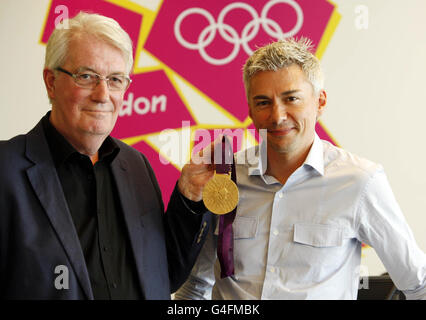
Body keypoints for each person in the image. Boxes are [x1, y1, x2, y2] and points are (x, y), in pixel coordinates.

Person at [174, 38, 426, 300]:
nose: (278, 115)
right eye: (263, 102)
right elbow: (194, 288)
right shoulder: (225, 178)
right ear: (250, 110)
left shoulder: (359, 181)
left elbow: (418, 285)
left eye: (291, 99)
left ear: (320, 102)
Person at [0, 12, 212, 300]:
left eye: (115, 79)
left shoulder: (136, 165)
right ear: (51, 82)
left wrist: (188, 199)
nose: (103, 94)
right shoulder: (6, 169)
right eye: (86, 76)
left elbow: (165, 276)